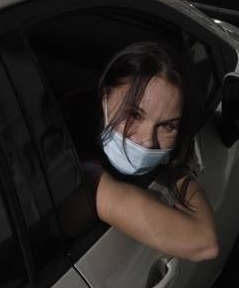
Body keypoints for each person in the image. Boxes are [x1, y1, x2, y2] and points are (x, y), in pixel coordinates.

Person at [88, 42, 220, 261]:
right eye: (134, 115)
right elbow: (204, 242)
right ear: (104, 97)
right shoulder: (87, 177)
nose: (148, 142)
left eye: (168, 126)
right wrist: (180, 172)